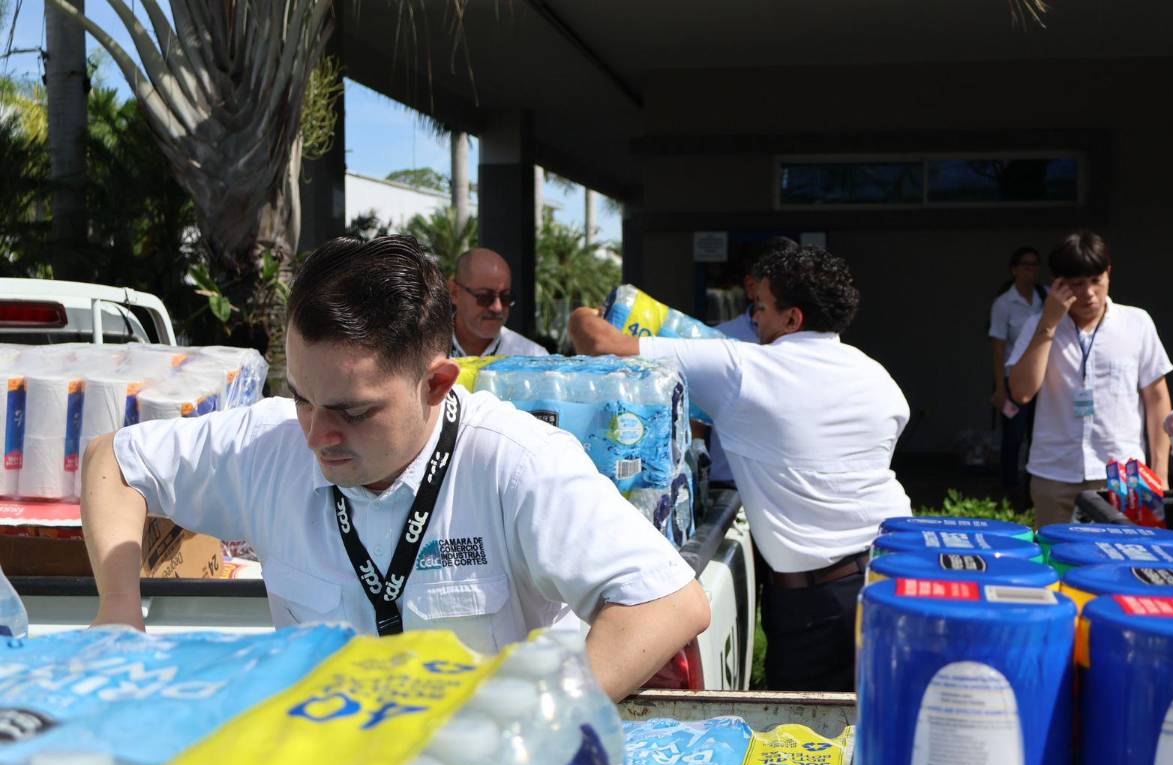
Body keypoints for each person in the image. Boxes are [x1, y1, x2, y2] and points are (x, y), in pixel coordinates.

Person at [80, 235, 709, 701]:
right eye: (302, 396)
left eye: (353, 412)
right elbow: (113, 460)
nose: (318, 435)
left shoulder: (514, 463)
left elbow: (670, 602)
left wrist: (543, 723)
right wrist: (118, 607)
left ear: (436, 384)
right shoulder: (269, 443)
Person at [570, 245, 912, 692]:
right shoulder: (877, 376)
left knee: (806, 735)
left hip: (817, 601)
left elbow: (599, 345)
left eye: (761, 308)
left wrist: (583, 312)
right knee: (884, 724)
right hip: (895, 574)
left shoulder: (744, 368)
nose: (754, 319)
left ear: (792, 320)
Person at [1008, 230, 1173, 529]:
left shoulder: (1136, 322)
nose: (1088, 293)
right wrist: (1049, 322)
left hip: (1123, 474)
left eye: (1096, 281)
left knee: (1123, 563)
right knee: (1057, 561)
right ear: (1058, 284)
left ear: (1109, 274)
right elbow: (1021, 392)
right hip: (1055, 473)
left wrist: (1160, 472)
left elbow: (1157, 398)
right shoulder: (1039, 324)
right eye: (1076, 284)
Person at [709, 236, 798, 486]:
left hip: (788, 483)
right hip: (729, 481)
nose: (785, 292)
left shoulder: (812, 339)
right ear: (752, 287)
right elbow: (697, 412)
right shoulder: (718, 339)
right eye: (774, 284)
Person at [988, 246, 1045, 507]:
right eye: (1025, 265)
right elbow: (998, 348)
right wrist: (1000, 387)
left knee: (1040, 435)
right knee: (1014, 436)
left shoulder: (1045, 295)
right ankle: (1011, 491)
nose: (1030, 270)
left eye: (1034, 265)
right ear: (1014, 269)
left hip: (1043, 379)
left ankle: (1034, 490)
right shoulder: (1004, 303)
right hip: (1014, 380)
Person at [449, 247, 548, 357]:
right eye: (485, 297)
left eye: (505, 297)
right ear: (454, 293)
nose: (497, 308)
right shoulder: (427, 351)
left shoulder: (534, 358)